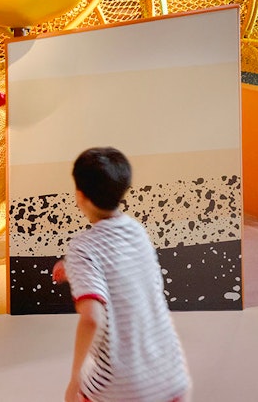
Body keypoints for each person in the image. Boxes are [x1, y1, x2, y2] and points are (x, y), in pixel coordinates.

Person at [56, 147, 191, 402]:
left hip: (120, 388)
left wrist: (75, 379)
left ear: (80, 195)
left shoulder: (82, 248)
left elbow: (92, 319)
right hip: (170, 376)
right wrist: (73, 267)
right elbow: (121, 267)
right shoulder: (136, 231)